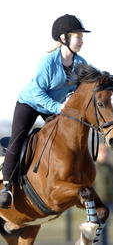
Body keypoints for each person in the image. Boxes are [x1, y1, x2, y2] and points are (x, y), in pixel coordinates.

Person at [0, 14, 91, 209]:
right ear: (63, 38)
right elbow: (37, 93)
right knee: (18, 138)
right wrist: (59, 108)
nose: (82, 40)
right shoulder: (47, 62)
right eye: (78, 36)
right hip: (29, 103)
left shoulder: (81, 63)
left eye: (82, 37)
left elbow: (91, 80)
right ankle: (6, 187)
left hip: (54, 106)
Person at [94, 143, 113, 245]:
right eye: (102, 152)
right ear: (98, 153)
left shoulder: (110, 168)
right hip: (98, 204)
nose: (104, 155)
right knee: (96, 229)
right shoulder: (94, 167)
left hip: (109, 203)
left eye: (105, 152)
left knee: (105, 229)